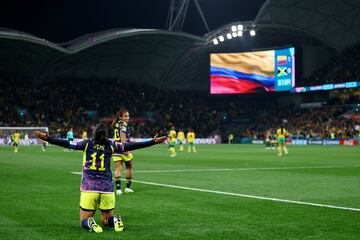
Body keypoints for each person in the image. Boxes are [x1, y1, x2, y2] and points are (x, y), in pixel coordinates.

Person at [33, 122, 166, 234]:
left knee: (83, 220)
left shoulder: (86, 144)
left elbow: (66, 143)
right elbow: (131, 146)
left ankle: (90, 222)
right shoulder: (111, 145)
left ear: (94, 132)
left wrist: (47, 138)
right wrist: (152, 142)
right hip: (107, 189)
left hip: (89, 188)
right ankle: (115, 220)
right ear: (105, 134)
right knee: (105, 220)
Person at [112, 109, 134, 195]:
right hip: (123, 148)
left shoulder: (116, 124)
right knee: (129, 167)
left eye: (128, 116)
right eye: (125, 116)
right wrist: (125, 148)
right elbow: (122, 135)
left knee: (118, 169)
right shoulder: (123, 124)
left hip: (116, 148)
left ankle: (118, 189)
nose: (127, 118)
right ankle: (127, 188)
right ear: (120, 117)